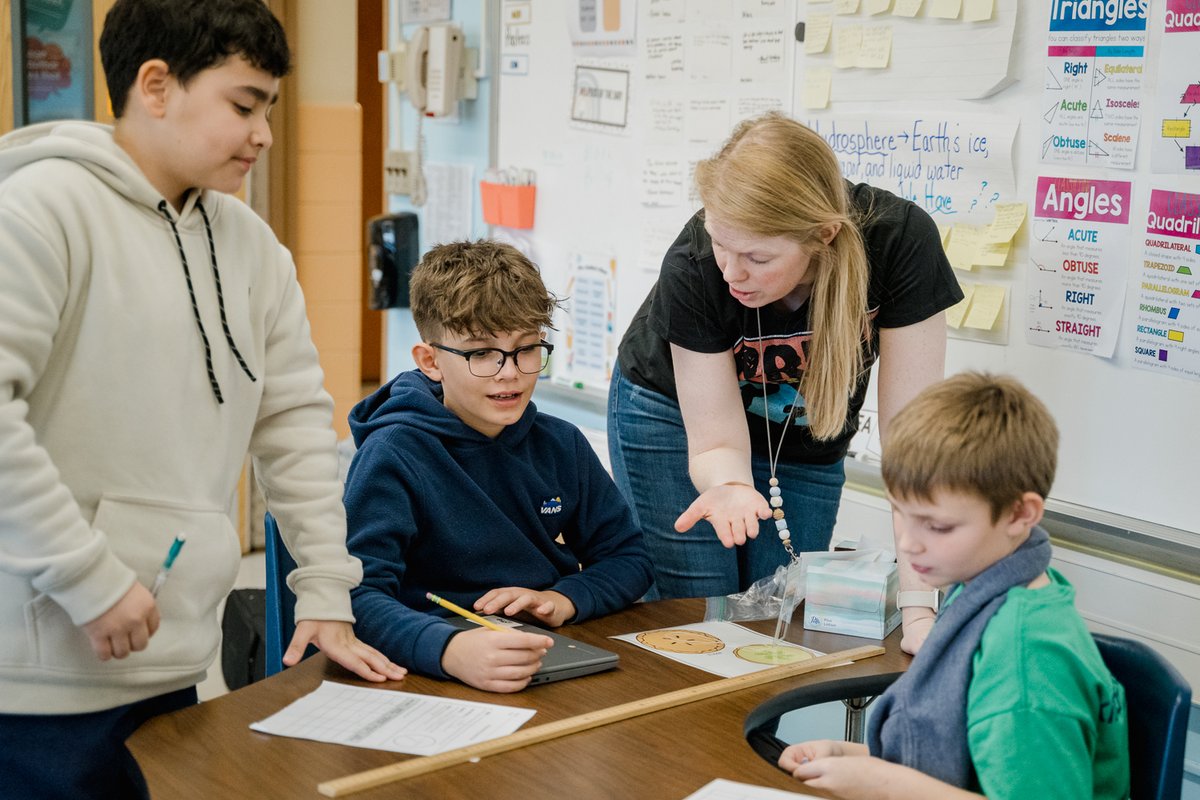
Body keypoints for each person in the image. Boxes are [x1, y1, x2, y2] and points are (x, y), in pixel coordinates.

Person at [0, 1, 405, 797]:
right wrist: (88, 577)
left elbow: (291, 426)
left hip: (173, 659)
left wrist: (325, 584)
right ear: (156, 86)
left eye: (269, 109)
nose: (263, 134)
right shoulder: (39, 211)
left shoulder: (252, 246)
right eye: (243, 105)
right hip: (37, 674)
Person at [608, 112, 962, 651]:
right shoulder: (695, 264)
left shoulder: (900, 241)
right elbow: (716, 439)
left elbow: (912, 450)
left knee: (777, 619)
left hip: (804, 431)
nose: (731, 272)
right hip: (671, 417)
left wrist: (920, 616)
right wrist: (727, 485)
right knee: (704, 621)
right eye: (720, 244)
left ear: (823, 235)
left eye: (757, 257)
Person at [778, 373, 1130, 800]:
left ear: (1020, 515)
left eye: (938, 526)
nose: (908, 543)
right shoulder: (988, 589)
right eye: (902, 515)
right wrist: (856, 758)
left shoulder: (1025, 656)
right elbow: (972, 757)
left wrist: (884, 784)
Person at [343, 240, 653, 694]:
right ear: (431, 362)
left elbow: (629, 557)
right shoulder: (393, 453)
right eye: (482, 354)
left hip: (540, 652)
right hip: (427, 660)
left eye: (526, 349)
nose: (509, 372)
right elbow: (357, 597)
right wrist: (448, 649)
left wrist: (563, 599)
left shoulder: (561, 442)